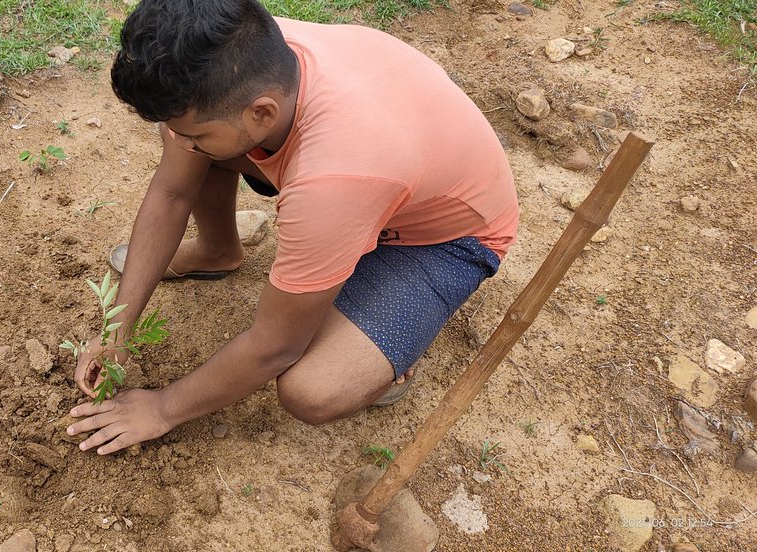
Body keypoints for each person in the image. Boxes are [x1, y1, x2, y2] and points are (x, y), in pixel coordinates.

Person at [65, 0, 518, 455]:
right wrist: (115, 334)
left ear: (263, 113)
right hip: (391, 176)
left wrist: (162, 408)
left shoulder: (332, 180)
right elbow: (171, 193)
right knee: (202, 145)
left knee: (313, 388)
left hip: (447, 238)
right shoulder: (239, 55)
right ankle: (218, 251)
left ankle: (390, 346)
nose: (178, 143)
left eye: (195, 134)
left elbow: (275, 346)